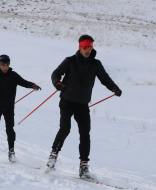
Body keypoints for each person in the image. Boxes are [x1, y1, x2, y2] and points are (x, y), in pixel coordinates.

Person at [47, 35, 122, 180]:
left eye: (90, 47)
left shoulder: (95, 64)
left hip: (82, 104)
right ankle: (53, 156)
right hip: (67, 101)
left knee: (85, 134)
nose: (87, 50)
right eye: (85, 47)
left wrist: (114, 88)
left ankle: (84, 167)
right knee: (65, 129)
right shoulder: (70, 61)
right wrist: (57, 83)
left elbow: (105, 78)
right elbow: (55, 73)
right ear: (80, 48)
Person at [0, 54, 41, 162]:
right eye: (3, 65)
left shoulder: (13, 75)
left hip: (9, 107)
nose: (5, 67)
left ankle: (11, 153)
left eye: (7, 65)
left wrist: (33, 85)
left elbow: (23, 82)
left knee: (10, 130)